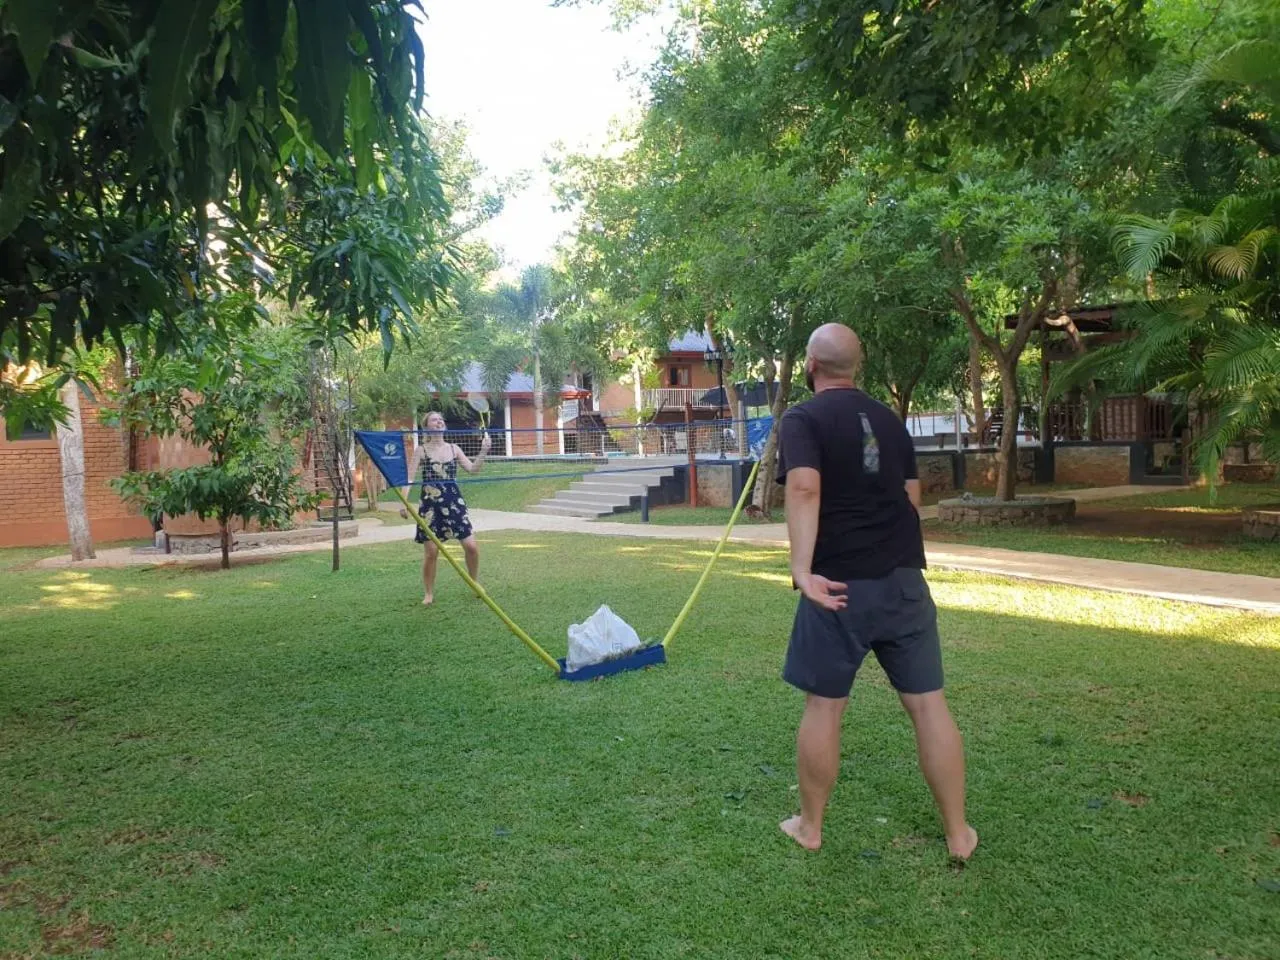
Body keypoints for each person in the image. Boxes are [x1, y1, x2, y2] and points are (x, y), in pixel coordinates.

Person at [776, 323, 977, 861]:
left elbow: (803, 486)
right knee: (929, 707)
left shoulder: (802, 418)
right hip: (904, 582)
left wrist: (801, 568)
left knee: (825, 706)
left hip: (836, 586)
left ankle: (810, 827)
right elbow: (912, 496)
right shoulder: (890, 420)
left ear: (811, 367)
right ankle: (959, 834)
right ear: (855, 368)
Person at [399, 411, 491, 606]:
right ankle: (429, 593)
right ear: (427, 427)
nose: (439, 421)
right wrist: (404, 502)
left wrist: (483, 451)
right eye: (434, 419)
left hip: (454, 503)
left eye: (441, 419)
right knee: (432, 553)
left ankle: (474, 583)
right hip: (430, 507)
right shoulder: (421, 451)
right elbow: (409, 478)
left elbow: (473, 470)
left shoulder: (454, 449)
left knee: (472, 547)